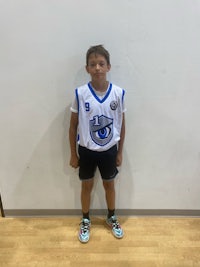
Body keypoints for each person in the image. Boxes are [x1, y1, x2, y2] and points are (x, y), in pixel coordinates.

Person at [69, 45, 126, 243]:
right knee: (86, 186)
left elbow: (121, 123)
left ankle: (111, 216)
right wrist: (73, 154)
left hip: (109, 150)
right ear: (87, 68)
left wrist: (119, 152)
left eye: (101, 64)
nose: (97, 68)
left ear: (109, 66)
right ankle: (85, 219)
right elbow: (73, 126)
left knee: (109, 185)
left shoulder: (118, 93)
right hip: (86, 150)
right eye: (93, 64)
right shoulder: (80, 93)